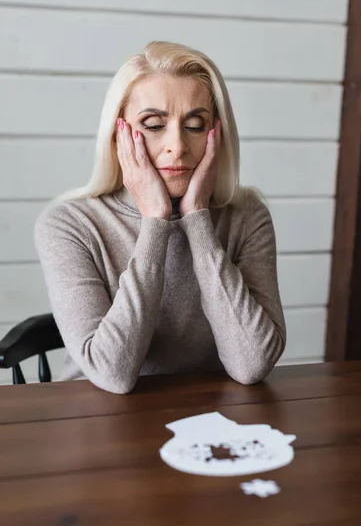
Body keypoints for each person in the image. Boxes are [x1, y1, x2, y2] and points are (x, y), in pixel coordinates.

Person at [34, 41, 286, 394]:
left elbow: (252, 363)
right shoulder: (69, 224)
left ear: (217, 133)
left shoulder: (247, 215)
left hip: (202, 421)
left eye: (196, 125)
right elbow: (112, 374)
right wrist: (155, 221)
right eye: (153, 125)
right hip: (94, 420)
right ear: (118, 133)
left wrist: (197, 218)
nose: (178, 146)